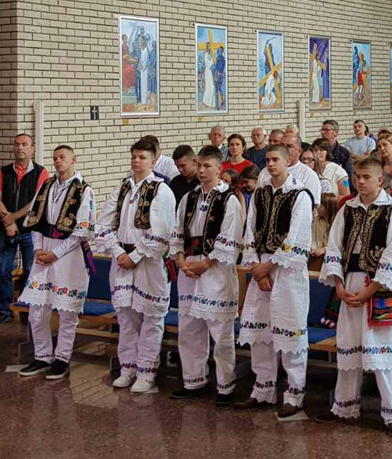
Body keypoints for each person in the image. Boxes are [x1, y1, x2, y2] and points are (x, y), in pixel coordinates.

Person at [315, 157, 392, 437]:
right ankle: (344, 406)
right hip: (349, 283)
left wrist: (370, 291)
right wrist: (338, 285)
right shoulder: (347, 209)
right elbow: (334, 246)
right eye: (357, 176)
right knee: (349, 348)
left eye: (366, 177)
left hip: (380, 287)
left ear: (380, 180)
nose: (360, 181)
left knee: (382, 353)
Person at [237, 144, 313, 417]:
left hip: (287, 270)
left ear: (288, 160)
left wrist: (268, 267)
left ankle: (294, 393)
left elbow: (297, 237)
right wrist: (256, 268)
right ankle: (263, 388)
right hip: (261, 267)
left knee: (289, 330)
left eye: (275, 160)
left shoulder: (300, 194)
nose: (270, 164)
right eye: (267, 160)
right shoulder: (260, 192)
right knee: (261, 332)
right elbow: (250, 230)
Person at [97, 137, 176, 393]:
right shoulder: (123, 188)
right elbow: (103, 224)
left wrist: (135, 255)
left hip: (149, 261)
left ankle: (146, 372)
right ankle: (127, 368)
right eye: (134, 157)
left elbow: (162, 231)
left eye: (142, 157)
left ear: (153, 162)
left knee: (151, 318)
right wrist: (118, 251)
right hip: (122, 258)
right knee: (126, 317)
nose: (136, 161)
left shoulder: (162, 190)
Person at [169, 145, 245, 404]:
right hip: (190, 268)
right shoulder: (189, 198)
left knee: (220, 333)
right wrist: (180, 259)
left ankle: (226, 386)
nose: (201, 171)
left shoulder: (228, 199)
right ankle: (194, 380)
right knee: (189, 329)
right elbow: (178, 231)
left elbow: (230, 237)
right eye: (199, 166)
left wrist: (207, 263)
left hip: (216, 271)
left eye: (207, 166)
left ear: (219, 168)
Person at [17, 145, 96, 380]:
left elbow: (81, 231)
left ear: (74, 159)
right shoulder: (46, 186)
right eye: (55, 158)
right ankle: (42, 356)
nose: (58, 161)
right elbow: (35, 221)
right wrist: (38, 249)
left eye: (62, 157)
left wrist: (56, 253)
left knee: (67, 312)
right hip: (44, 250)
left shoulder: (84, 190)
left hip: (69, 255)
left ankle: (62, 359)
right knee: (37, 311)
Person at [0, 134, 50, 326]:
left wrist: (13, 218)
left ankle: (27, 309)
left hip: (31, 230)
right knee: (4, 270)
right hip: (6, 229)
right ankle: (5, 310)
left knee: (31, 271)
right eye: (16, 144)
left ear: (32, 149)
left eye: (24, 144)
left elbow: (36, 202)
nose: (20, 148)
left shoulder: (41, 172)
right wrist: (8, 222)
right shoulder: (4, 171)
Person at [256, 132, 322, 209]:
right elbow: (257, 202)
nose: (285, 149)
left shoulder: (309, 175)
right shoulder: (265, 172)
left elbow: (313, 207)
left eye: (289, 146)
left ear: (299, 151)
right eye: (282, 145)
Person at [320, 120, 355, 185]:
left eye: (326, 130)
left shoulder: (343, 153)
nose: (323, 132)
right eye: (322, 130)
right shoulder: (316, 151)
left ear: (335, 133)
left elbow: (348, 176)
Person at [311, 192, 339, 262]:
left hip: (330, 257)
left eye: (321, 205)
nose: (318, 207)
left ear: (328, 207)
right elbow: (313, 238)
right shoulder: (316, 220)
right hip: (315, 255)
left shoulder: (337, 223)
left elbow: (337, 244)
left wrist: (325, 249)